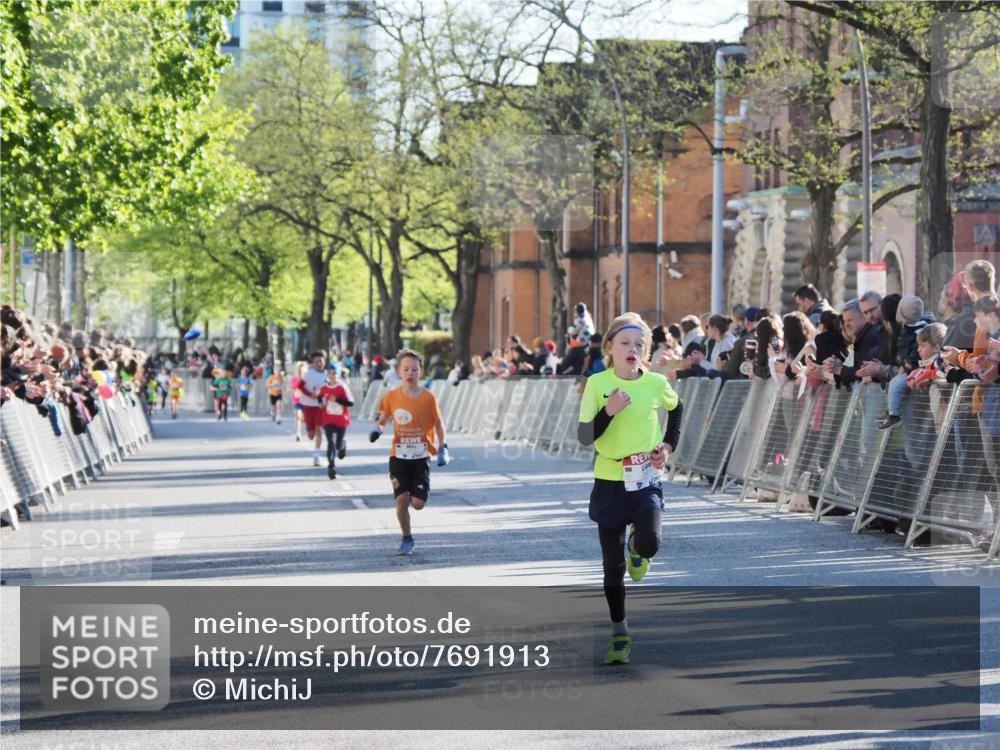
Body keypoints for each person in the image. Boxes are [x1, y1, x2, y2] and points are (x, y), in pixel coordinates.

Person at [577, 312, 683, 665]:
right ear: (609, 347)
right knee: (612, 566)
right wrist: (608, 410)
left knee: (650, 542)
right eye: (625, 343)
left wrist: (667, 447)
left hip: (645, 480)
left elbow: (677, 408)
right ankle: (619, 631)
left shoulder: (654, 383)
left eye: (640, 344)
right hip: (609, 480)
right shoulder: (597, 384)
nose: (632, 349)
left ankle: (639, 547)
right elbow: (583, 437)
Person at [369, 349, 450, 555]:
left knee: (418, 504)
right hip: (398, 455)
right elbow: (382, 421)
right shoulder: (392, 397)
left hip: (421, 456)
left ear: (420, 371)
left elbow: (439, 424)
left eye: (414, 369)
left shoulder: (428, 398)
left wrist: (443, 447)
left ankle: (420, 496)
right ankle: (407, 538)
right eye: (406, 369)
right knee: (402, 499)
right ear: (399, 372)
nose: (410, 373)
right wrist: (376, 431)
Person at [877, 294, 933, 429]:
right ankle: (891, 409)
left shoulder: (914, 331)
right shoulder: (920, 326)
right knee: (894, 383)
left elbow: (915, 348)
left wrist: (908, 362)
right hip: (914, 367)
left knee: (896, 383)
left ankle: (894, 415)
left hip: (916, 369)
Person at [318, 362, 354, 479]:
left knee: (338, 444)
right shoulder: (323, 388)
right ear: (327, 373)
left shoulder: (342, 387)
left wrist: (337, 400)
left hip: (341, 420)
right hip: (328, 420)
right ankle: (331, 467)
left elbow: (350, 403)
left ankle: (343, 445)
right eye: (329, 373)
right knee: (331, 443)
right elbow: (320, 397)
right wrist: (321, 404)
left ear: (337, 374)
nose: (331, 375)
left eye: (334, 373)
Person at [296, 350, 329, 467]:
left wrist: (325, 397)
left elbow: (330, 389)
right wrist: (310, 394)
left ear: (324, 361)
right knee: (311, 435)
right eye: (316, 362)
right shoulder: (309, 374)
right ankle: (309, 429)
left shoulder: (328, 375)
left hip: (321, 406)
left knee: (319, 429)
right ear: (313, 363)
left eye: (320, 361)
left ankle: (317, 455)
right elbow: (299, 386)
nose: (319, 364)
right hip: (308, 405)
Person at [290, 362, 305, 441]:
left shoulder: (306, 379)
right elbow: (292, 388)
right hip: (297, 400)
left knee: (303, 418)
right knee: (298, 416)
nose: (300, 372)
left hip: (305, 401)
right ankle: (298, 433)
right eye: (298, 370)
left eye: (301, 371)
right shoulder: (293, 379)